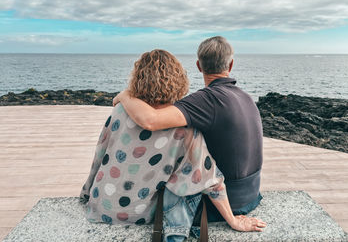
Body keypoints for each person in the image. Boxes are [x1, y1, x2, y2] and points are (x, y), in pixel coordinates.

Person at [80, 49, 266, 241]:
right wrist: (234, 221)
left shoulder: (119, 111)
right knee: (187, 174)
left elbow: (100, 154)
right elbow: (211, 180)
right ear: (178, 80)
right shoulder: (183, 130)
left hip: (101, 204)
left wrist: (87, 193)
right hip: (141, 213)